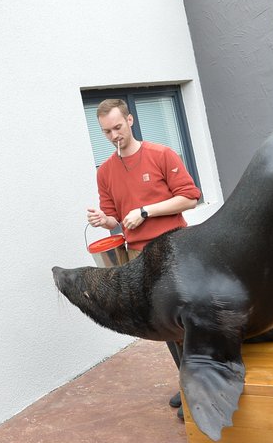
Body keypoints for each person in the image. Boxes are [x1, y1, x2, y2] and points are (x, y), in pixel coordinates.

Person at [85, 98, 201, 416]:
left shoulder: (161, 154)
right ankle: (189, 383)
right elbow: (113, 218)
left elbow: (190, 198)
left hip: (174, 247)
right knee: (165, 325)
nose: (114, 136)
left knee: (189, 320)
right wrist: (102, 220)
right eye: (107, 131)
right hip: (138, 256)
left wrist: (145, 211)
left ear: (131, 121)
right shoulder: (106, 172)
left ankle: (202, 385)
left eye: (118, 127)